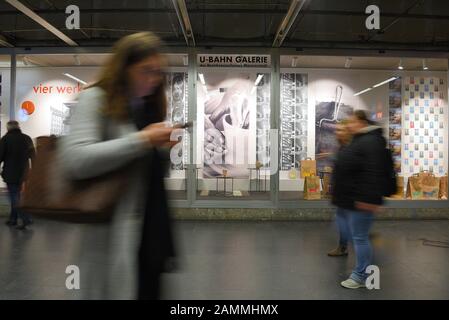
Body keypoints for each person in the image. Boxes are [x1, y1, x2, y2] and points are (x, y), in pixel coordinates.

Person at [60, 32, 178, 299]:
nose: (153, 79)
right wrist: (143, 140)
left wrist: (159, 152)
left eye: (158, 72)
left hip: (152, 235)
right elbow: (76, 160)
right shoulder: (95, 99)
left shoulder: (148, 107)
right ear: (124, 68)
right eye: (145, 71)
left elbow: (144, 172)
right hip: (113, 235)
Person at [331, 110, 386, 289]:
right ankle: (363, 260)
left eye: (352, 122)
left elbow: (373, 173)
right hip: (349, 199)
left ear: (361, 122)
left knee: (360, 238)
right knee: (352, 234)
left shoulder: (370, 142)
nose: (349, 126)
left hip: (362, 200)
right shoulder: (359, 141)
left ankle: (360, 276)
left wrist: (369, 199)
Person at [0, 120, 35, 230]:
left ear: (8, 128)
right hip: (24, 172)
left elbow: (0, 156)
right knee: (18, 196)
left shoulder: (5, 139)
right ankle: (13, 219)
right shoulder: (27, 138)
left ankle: (26, 218)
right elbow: (33, 155)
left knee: (14, 197)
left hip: (10, 173)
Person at [328, 120, 351, 257]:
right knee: (341, 219)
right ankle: (343, 246)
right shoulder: (342, 148)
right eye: (337, 130)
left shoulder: (349, 148)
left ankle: (344, 247)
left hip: (346, 191)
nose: (337, 133)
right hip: (341, 190)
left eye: (341, 130)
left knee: (342, 220)